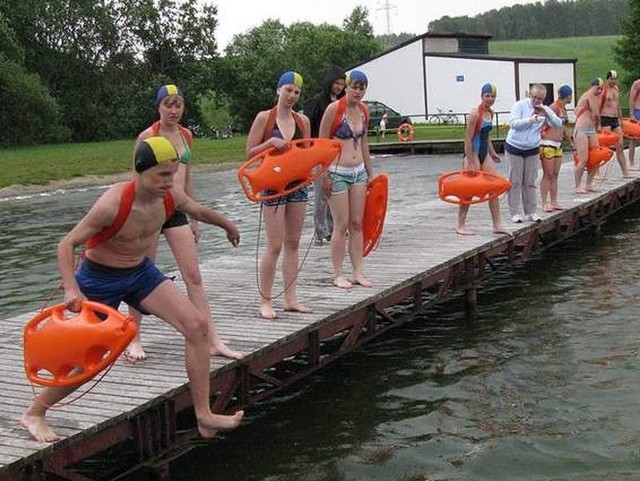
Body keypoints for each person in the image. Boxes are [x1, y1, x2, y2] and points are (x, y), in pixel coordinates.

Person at [21, 137, 244, 443]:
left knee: (197, 325)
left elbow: (198, 210)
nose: (170, 182)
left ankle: (204, 416)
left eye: (173, 173)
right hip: (98, 279)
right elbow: (67, 244)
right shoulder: (113, 203)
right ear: (139, 171)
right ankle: (35, 412)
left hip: (139, 273)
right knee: (89, 361)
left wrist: (228, 225)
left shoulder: (169, 196)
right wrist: (71, 290)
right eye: (162, 175)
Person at [126, 84, 243, 362]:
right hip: (150, 211)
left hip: (176, 209)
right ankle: (133, 338)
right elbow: (134, 180)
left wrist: (194, 220)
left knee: (194, 275)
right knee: (142, 274)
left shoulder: (186, 135)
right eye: (168, 104)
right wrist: (136, 218)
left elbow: (187, 179)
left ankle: (211, 338)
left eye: (178, 104)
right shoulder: (148, 136)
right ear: (159, 107)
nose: (174, 110)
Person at [245, 71, 313, 320]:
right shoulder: (265, 117)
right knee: (274, 244)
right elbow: (249, 153)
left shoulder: (302, 121)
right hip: (272, 184)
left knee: (293, 242)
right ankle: (265, 300)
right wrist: (270, 144)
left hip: (297, 185)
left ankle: (291, 298)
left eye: (296, 92)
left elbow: (308, 152)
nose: (292, 95)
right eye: (288, 90)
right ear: (278, 91)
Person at [318, 70, 374, 289]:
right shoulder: (334, 110)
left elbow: (364, 143)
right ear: (347, 87)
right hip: (337, 170)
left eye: (362, 88)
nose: (358, 92)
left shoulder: (363, 111)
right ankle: (338, 273)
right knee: (341, 224)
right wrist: (324, 177)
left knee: (357, 223)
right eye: (355, 87)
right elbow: (321, 144)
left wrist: (370, 172)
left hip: (358, 170)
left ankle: (358, 271)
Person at [456, 82, 510, 235]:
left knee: (493, 187)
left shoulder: (491, 113)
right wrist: (471, 161)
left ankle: (497, 224)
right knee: (469, 190)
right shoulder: (475, 114)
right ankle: (460, 224)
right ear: (481, 96)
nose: (490, 99)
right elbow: (467, 139)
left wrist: (492, 153)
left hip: (484, 153)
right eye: (487, 96)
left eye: (493, 96)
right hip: (472, 153)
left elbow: (486, 136)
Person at [505, 83, 562, 223]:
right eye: (534, 97)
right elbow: (513, 124)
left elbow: (558, 124)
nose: (537, 101)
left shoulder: (544, 109)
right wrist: (530, 120)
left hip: (532, 148)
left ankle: (531, 211)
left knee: (530, 181)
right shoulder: (520, 105)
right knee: (515, 181)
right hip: (515, 146)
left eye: (540, 99)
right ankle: (515, 212)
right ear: (530, 95)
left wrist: (546, 112)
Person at [303, 66, 346, 245]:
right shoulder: (315, 103)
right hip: (318, 152)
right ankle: (319, 231)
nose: (338, 87)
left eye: (342, 84)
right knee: (321, 193)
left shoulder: (343, 102)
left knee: (335, 192)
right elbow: (309, 128)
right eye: (336, 83)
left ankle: (332, 228)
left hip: (338, 152)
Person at [539, 85, 574, 212]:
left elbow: (563, 127)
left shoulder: (563, 108)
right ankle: (544, 202)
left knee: (555, 174)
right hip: (548, 143)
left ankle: (554, 201)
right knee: (547, 174)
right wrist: (540, 134)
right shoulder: (554, 107)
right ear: (568, 95)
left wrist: (570, 140)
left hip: (558, 144)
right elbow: (542, 120)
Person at [573, 78, 604, 193]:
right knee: (583, 159)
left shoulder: (595, 96)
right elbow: (595, 112)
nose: (599, 91)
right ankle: (577, 185)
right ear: (593, 87)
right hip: (581, 129)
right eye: (598, 88)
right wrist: (600, 124)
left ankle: (589, 184)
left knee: (596, 158)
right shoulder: (589, 95)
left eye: (601, 89)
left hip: (591, 130)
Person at [599, 70, 631, 179]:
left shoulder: (616, 89)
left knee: (620, 146)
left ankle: (625, 172)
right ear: (607, 79)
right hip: (605, 117)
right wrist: (598, 123)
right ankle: (598, 172)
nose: (613, 81)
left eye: (615, 79)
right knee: (604, 147)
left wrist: (621, 119)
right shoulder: (603, 90)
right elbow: (598, 106)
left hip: (615, 119)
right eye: (611, 79)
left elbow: (618, 105)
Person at [628, 78, 640, 170]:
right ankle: (631, 163)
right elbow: (631, 98)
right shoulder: (637, 83)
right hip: (637, 111)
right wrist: (632, 114)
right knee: (634, 139)